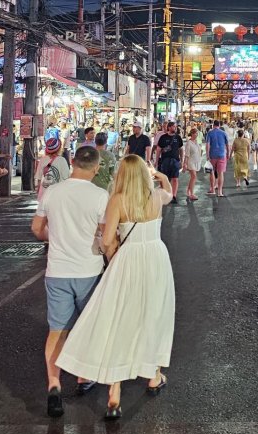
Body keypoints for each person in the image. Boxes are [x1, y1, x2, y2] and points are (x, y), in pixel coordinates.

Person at [57, 155, 177, 420]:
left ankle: (114, 393)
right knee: (153, 315)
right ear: (145, 175)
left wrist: (105, 248)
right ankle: (154, 375)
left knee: (120, 319)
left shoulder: (118, 200)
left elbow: (108, 239)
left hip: (128, 261)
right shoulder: (156, 197)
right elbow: (169, 192)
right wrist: (161, 176)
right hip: (156, 259)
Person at [31, 144, 109, 418]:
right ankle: (83, 376)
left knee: (57, 330)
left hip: (57, 271)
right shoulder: (101, 196)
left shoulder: (53, 193)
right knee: (87, 326)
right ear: (96, 167)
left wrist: (52, 239)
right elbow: (105, 237)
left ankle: (54, 384)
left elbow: (36, 228)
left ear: (73, 162)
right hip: (89, 270)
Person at [154, 122, 184, 201]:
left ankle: (174, 196)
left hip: (175, 160)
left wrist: (182, 160)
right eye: (174, 126)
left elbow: (181, 149)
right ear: (169, 127)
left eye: (175, 126)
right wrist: (156, 161)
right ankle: (166, 194)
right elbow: (158, 150)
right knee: (165, 179)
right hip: (165, 161)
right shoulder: (163, 137)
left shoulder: (178, 138)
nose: (175, 128)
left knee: (175, 178)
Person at [36, 135, 71, 202]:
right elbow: (66, 178)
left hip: (44, 193)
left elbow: (39, 178)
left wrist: (38, 190)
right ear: (59, 148)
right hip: (57, 194)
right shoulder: (62, 160)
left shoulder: (42, 160)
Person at [206, 120, 230, 197]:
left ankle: (212, 189)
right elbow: (227, 145)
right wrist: (228, 154)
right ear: (219, 125)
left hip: (212, 155)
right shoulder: (223, 133)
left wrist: (207, 155)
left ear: (213, 125)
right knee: (220, 173)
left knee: (212, 172)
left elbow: (207, 145)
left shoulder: (210, 133)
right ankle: (220, 192)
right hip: (222, 155)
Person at [182, 127, 203, 201]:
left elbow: (199, 151)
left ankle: (188, 191)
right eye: (195, 133)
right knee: (194, 177)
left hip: (197, 161)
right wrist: (184, 164)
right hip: (191, 162)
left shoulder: (197, 142)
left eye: (197, 133)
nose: (196, 134)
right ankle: (192, 194)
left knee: (192, 177)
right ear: (192, 134)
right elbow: (186, 155)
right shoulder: (189, 143)